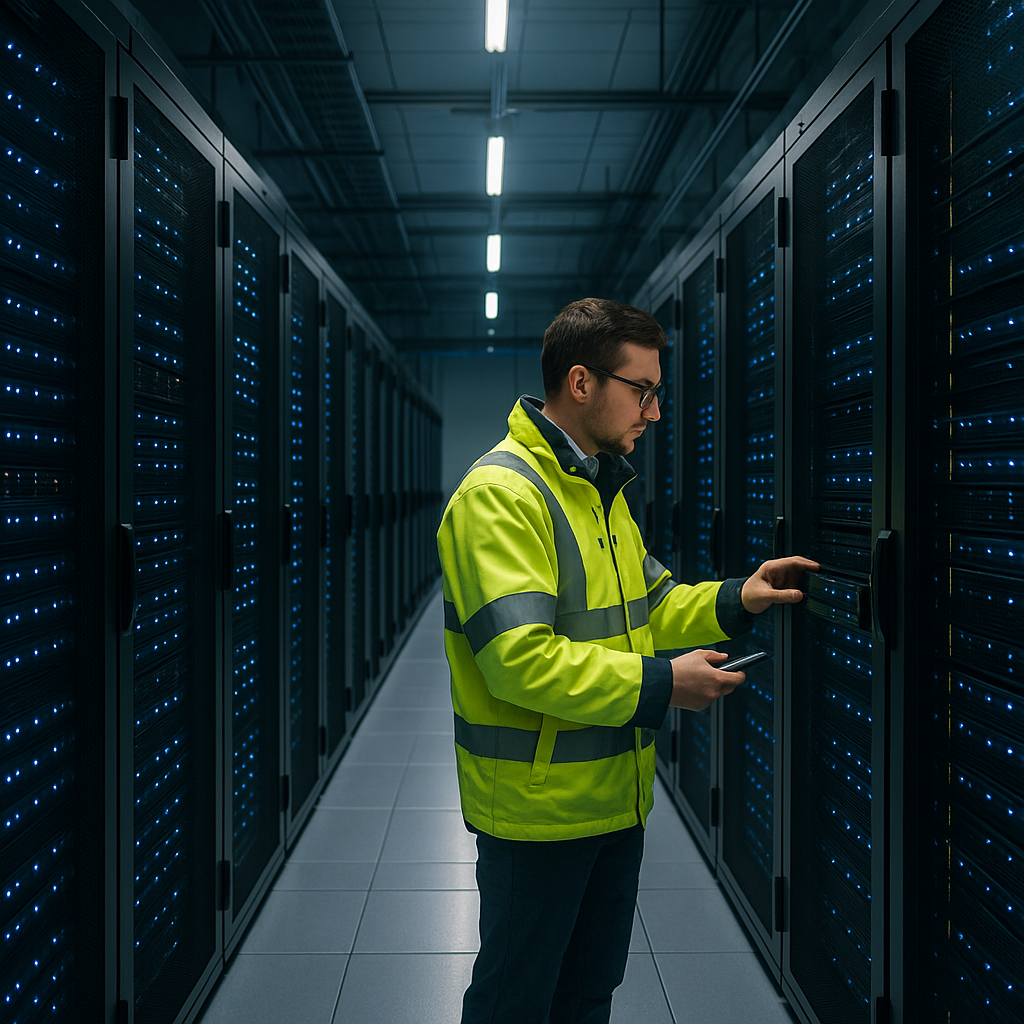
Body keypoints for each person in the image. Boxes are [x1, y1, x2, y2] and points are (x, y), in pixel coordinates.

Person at [436, 297, 818, 1024]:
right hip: (538, 812)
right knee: (516, 1003)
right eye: (642, 391)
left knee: (586, 995)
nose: (654, 412)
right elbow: (520, 661)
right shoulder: (502, 496)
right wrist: (665, 682)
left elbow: (654, 602)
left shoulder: (600, 489)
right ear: (582, 383)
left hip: (614, 796)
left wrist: (745, 597)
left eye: (657, 393)